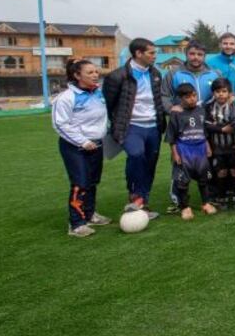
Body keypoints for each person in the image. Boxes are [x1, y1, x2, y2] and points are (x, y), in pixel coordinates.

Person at [103, 37, 167, 217]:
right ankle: (135, 196)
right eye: (151, 53)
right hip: (132, 127)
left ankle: (143, 203)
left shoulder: (155, 73)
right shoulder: (117, 76)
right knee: (136, 155)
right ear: (138, 53)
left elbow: (157, 100)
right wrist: (117, 125)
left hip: (153, 127)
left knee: (150, 164)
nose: (155, 56)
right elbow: (110, 104)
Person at [53, 58, 110, 237]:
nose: (95, 75)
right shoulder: (66, 98)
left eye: (96, 71)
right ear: (77, 75)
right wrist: (83, 141)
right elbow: (60, 124)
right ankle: (76, 223)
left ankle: (90, 214)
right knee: (80, 183)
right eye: (90, 72)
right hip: (75, 147)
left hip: (96, 144)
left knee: (92, 181)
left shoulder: (98, 93)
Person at [167, 83, 217, 221]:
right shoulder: (176, 113)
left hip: (200, 149)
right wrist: (175, 153)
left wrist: (207, 146)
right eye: (188, 97)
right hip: (184, 150)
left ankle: (206, 203)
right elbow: (171, 136)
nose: (192, 99)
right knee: (182, 180)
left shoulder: (201, 110)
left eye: (194, 95)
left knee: (204, 178)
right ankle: (185, 207)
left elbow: (204, 131)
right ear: (180, 98)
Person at [204, 78, 235, 210]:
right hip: (218, 146)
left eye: (224, 91)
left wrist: (221, 125)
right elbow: (206, 125)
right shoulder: (209, 107)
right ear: (213, 93)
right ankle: (221, 196)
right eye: (218, 92)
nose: (221, 94)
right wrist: (221, 129)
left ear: (229, 92)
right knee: (221, 171)